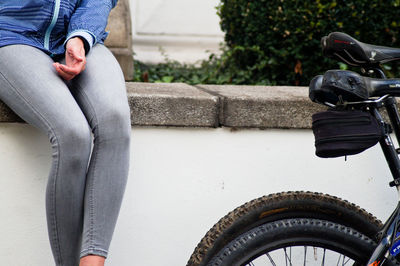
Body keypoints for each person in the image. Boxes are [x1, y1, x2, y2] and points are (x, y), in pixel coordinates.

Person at [0, 1, 131, 265]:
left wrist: (80, 36)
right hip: (11, 34)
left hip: (75, 34)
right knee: (72, 134)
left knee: (114, 120)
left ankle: (93, 262)